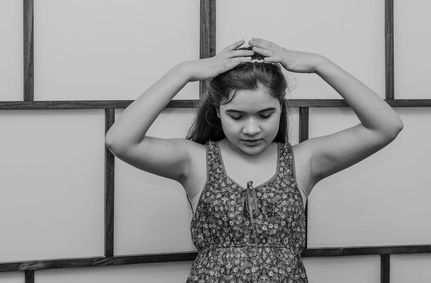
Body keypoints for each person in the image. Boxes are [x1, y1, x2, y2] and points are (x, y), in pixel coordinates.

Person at [105, 38, 403, 282]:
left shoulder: (302, 161)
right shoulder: (194, 161)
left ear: (280, 108)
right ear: (218, 111)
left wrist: (318, 63)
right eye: (236, 115)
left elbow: (386, 126)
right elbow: (120, 140)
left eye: (265, 114)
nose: (251, 128)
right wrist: (182, 72)